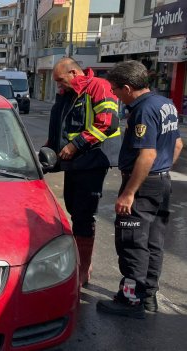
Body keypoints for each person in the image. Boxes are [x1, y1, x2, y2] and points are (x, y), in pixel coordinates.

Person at [97, 61, 183, 318]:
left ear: (127, 87)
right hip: (161, 181)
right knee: (154, 242)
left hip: (143, 184)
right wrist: (160, 170)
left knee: (132, 241)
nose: (115, 95)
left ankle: (130, 300)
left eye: (115, 90)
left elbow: (147, 154)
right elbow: (176, 144)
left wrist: (129, 192)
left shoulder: (143, 110)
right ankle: (148, 297)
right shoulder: (165, 104)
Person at [46, 57, 121, 287]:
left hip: (92, 161)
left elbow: (107, 123)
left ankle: (82, 270)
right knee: (73, 209)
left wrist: (74, 145)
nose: (59, 86)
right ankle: (78, 261)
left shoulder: (98, 87)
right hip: (75, 163)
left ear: (74, 73)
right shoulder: (69, 94)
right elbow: (59, 126)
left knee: (83, 216)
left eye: (60, 81)